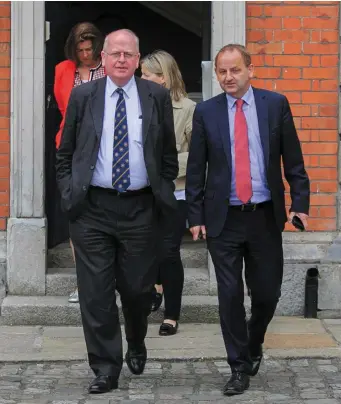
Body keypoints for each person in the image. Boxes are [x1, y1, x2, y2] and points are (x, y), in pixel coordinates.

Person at [56, 29, 178, 394]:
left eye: (129, 54)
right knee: (95, 294)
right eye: (115, 53)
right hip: (92, 208)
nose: (122, 59)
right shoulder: (83, 96)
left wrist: (164, 191)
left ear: (138, 60)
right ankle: (106, 367)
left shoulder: (155, 96)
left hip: (140, 208)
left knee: (138, 290)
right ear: (104, 59)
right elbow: (65, 154)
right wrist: (69, 194)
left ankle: (137, 340)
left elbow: (168, 156)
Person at [186, 44, 310, 396]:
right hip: (223, 218)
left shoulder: (275, 105)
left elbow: (295, 162)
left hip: (264, 217)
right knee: (229, 295)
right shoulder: (206, 112)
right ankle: (238, 366)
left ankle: (254, 343)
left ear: (249, 70)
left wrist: (299, 204)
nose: (228, 77)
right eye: (222, 72)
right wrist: (195, 214)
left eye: (235, 70)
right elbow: (196, 169)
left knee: (268, 294)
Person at [141, 50, 196, 336]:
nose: (141, 79)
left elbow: (197, 155)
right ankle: (156, 285)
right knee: (148, 250)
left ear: (162, 78)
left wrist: (164, 165)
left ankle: (172, 314)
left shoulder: (187, 108)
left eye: (147, 75)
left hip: (176, 191)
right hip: (142, 193)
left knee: (169, 251)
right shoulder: (136, 105)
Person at [54, 22, 105, 303]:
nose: (86, 54)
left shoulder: (111, 66)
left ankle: (108, 281)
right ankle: (83, 282)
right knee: (77, 213)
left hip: (106, 147)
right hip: (72, 146)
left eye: (90, 49)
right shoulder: (62, 69)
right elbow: (63, 109)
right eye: (80, 50)